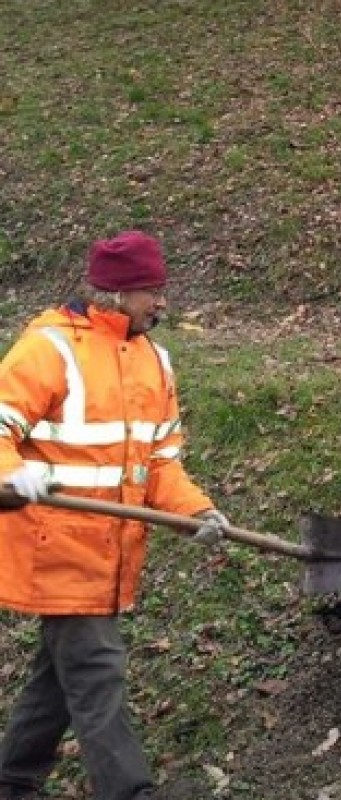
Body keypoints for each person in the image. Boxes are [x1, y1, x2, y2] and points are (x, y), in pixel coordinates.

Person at [0, 231, 229, 800]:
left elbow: (161, 464)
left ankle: (11, 779)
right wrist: (10, 474)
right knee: (98, 670)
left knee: (57, 680)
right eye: (152, 290)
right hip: (55, 550)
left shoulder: (156, 361)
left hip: (111, 557)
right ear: (116, 293)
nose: (162, 302)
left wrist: (196, 508)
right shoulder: (51, 347)